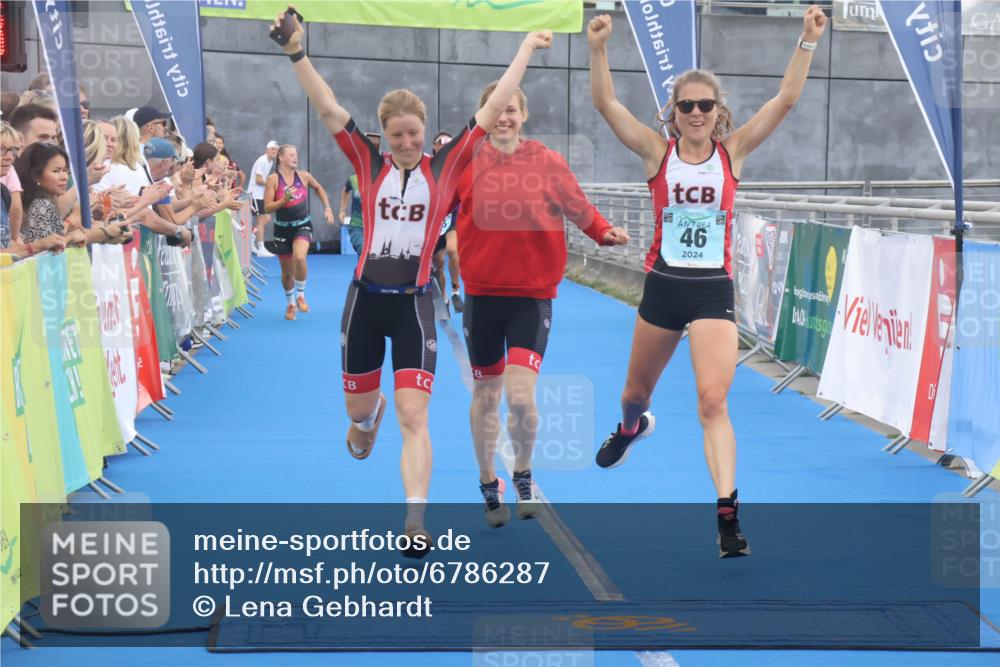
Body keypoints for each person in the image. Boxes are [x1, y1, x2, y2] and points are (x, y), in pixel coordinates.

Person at [272, 7, 550, 556]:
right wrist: (296, 52)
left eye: (413, 134)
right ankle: (365, 416)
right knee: (360, 423)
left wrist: (524, 49)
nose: (404, 142)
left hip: (415, 305)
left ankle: (415, 521)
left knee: (414, 415)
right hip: (364, 303)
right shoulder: (366, 159)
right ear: (385, 134)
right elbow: (327, 104)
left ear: (424, 135)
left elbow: (493, 106)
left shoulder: (444, 166)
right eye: (397, 134)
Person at [588, 7, 827, 557]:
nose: (695, 113)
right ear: (672, 112)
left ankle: (727, 516)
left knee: (713, 400)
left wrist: (807, 40)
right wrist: (598, 48)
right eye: (686, 105)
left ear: (718, 112)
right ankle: (629, 429)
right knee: (633, 395)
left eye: (705, 105)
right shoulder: (657, 151)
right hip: (663, 286)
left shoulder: (732, 153)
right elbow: (606, 104)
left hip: (712, 289)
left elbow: (784, 101)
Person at [455, 82, 629, 526]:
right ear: (484, 114)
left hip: (531, 298)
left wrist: (603, 231)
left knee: (519, 397)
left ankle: (523, 473)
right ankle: (486, 480)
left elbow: (578, 205)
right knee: (487, 394)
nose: (504, 118)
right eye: (496, 110)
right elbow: (436, 208)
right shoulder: (465, 164)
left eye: (511, 110)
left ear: (524, 114)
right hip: (481, 297)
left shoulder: (546, 162)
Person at [262, 143, 334, 320]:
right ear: (281, 157)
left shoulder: (304, 176)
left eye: (296, 154)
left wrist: (328, 208)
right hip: (281, 230)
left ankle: (301, 294)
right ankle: (291, 303)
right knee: (287, 274)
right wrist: (283, 200)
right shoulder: (273, 179)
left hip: (302, 225)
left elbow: (318, 188)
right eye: (291, 155)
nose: (296, 157)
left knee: (300, 257)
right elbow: (267, 207)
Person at [430, 131, 463, 314]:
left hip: (452, 218)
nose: (443, 145)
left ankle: (456, 291)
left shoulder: (458, 167)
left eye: (447, 142)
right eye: (439, 142)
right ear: (434, 147)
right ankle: (443, 297)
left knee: (452, 250)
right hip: (434, 221)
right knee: (438, 264)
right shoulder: (427, 166)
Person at [338, 132, 381, 256]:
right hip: (357, 226)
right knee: (363, 252)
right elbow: (346, 190)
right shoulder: (353, 180)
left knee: (374, 260)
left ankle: (361, 275)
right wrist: (342, 210)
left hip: (377, 228)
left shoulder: (383, 180)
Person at [248, 140, 279, 257]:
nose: (274, 151)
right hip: (255, 194)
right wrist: (271, 185)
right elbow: (258, 179)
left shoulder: (270, 162)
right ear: (266, 150)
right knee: (261, 219)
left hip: (261, 195)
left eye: (276, 150)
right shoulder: (262, 160)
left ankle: (251, 240)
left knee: (266, 218)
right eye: (272, 149)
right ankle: (261, 247)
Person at [1, 122, 24, 244]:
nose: (9, 157)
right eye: (1, 149)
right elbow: (16, 208)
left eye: (13, 150)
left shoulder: (3, 191)